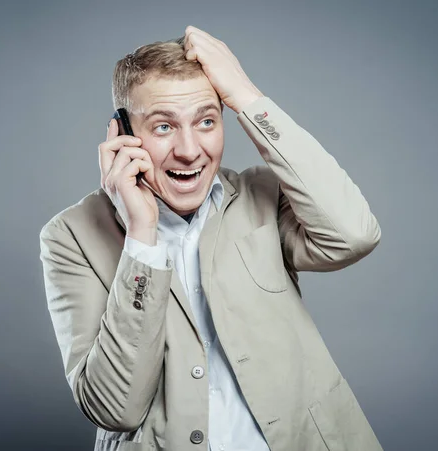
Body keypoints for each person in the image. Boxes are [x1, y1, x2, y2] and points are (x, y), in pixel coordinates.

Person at [39, 25, 383, 451]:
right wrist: (141, 237)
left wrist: (245, 95)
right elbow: (115, 409)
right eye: (164, 127)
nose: (189, 150)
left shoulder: (264, 195)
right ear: (123, 134)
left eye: (206, 121)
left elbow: (354, 235)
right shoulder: (70, 237)